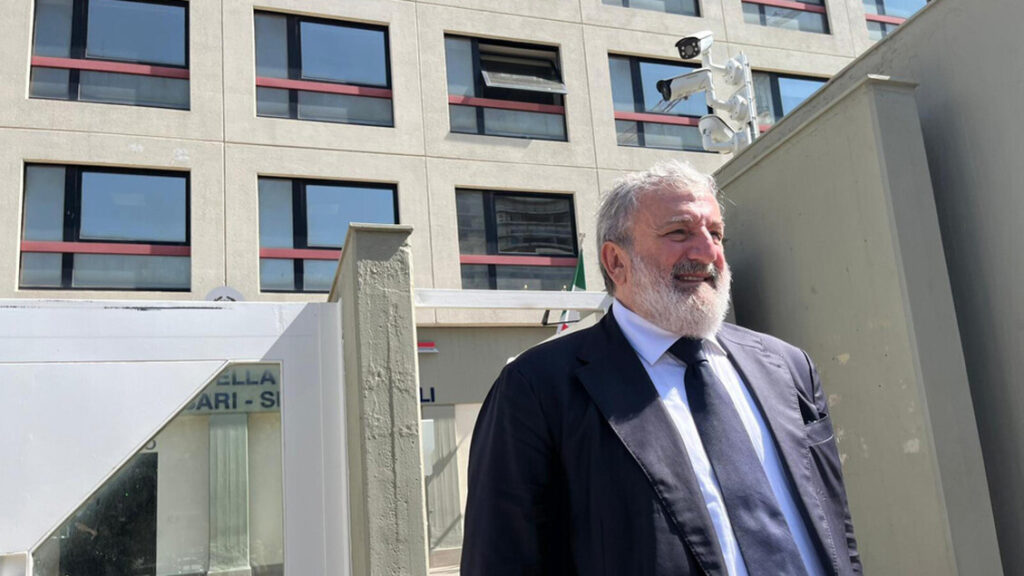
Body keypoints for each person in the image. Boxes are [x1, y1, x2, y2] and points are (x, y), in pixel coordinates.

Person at [460, 161, 861, 575]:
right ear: (616, 261)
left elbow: (836, 526)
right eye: (679, 232)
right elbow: (501, 561)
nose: (708, 252)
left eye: (716, 234)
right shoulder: (536, 388)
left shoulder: (788, 366)